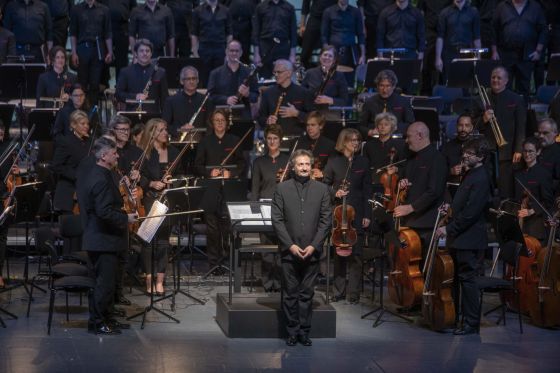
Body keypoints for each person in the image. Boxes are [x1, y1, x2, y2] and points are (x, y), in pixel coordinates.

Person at [271, 149, 332, 346]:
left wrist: (314, 246)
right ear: (294, 167)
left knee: (307, 294)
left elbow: (326, 221)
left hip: (312, 252)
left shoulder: (322, 190)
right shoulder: (282, 189)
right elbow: (277, 220)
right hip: (290, 251)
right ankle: (292, 331)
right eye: (300, 164)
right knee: (290, 293)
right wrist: (290, 245)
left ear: (311, 166)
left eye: (307, 164)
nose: (304, 167)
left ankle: (304, 332)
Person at [77, 136, 137, 335]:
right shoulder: (100, 177)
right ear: (104, 155)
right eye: (114, 153)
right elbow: (103, 211)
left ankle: (108, 318)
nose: (117, 155)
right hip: (102, 240)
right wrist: (126, 218)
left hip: (106, 239)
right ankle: (97, 322)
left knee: (108, 284)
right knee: (104, 284)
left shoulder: (103, 173)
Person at [436, 136, 492, 335]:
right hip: (460, 238)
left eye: (470, 154)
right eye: (465, 153)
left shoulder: (481, 178)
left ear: (481, 157)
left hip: (469, 238)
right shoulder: (469, 174)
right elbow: (462, 205)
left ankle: (471, 323)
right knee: (457, 279)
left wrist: (449, 229)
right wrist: (449, 209)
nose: (465, 156)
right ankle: (455, 317)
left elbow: (471, 213)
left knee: (468, 281)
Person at [323, 129, 371, 304]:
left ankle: (354, 293)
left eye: (358, 140)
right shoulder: (334, 161)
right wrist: (336, 192)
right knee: (339, 253)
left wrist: (367, 214)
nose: (355, 143)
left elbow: (367, 190)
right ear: (343, 142)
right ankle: (338, 291)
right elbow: (325, 185)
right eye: (352, 140)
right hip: (339, 213)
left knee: (356, 254)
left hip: (357, 213)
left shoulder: (363, 162)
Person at [194, 109, 245, 274]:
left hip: (229, 190)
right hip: (211, 190)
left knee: (228, 228)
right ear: (212, 122)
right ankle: (213, 264)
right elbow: (198, 165)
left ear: (227, 122)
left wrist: (232, 173)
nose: (220, 123)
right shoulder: (205, 142)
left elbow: (242, 164)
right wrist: (210, 173)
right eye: (216, 120)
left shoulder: (235, 140)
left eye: (222, 120)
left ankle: (228, 262)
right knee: (212, 229)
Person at [137, 118, 181, 294]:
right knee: (148, 240)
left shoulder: (174, 151)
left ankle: (160, 279)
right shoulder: (145, 153)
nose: (165, 133)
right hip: (150, 200)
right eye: (161, 130)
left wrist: (172, 182)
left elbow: (180, 175)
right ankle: (149, 278)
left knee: (164, 241)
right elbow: (138, 176)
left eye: (166, 129)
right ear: (152, 132)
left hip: (168, 200)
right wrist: (151, 183)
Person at [394, 122, 447, 260]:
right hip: (409, 222)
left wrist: (411, 207)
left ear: (420, 135)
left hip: (426, 224)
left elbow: (434, 191)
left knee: (422, 264)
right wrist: (401, 183)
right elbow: (403, 180)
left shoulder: (437, 158)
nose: (406, 140)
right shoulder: (411, 159)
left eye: (409, 136)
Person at [475, 66, 526, 199]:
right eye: (493, 77)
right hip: (487, 149)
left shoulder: (516, 99)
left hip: (507, 150)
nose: (495, 80)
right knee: (486, 185)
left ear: (506, 81)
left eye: (499, 78)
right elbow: (474, 125)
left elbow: (521, 126)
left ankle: (505, 213)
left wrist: (519, 149)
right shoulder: (481, 98)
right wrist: (484, 119)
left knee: (506, 187)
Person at [251, 124, 289, 291]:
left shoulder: (288, 161)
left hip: (284, 207)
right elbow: (254, 189)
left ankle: (280, 283)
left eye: (275, 138)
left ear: (280, 140)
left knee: (282, 246)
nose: (272, 141)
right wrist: (254, 208)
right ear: (266, 140)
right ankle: (267, 283)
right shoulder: (259, 161)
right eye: (269, 138)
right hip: (264, 205)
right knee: (265, 248)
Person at [491, 0, 547, 97]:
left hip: (527, 54)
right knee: (504, 88)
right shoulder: (502, 7)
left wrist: (538, 51)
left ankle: (522, 111)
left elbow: (543, 30)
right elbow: (493, 30)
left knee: (524, 89)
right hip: (506, 54)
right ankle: (505, 112)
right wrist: (494, 51)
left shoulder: (535, 7)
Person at [69, 0, 113, 106]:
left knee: (95, 84)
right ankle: (81, 111)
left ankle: (92, 113)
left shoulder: (104, 10)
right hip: (82, 49)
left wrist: (110, 52)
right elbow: (73, 32)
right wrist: (74, 52)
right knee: (82, 83)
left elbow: (108, 32)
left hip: (98, 49)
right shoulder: (76, 9)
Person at [52, 110, 93, 214]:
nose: (86, 126)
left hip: (86, 194)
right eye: (82, 124)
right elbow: (56, 166)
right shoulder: (66, 142)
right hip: (69, 193)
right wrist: (77, 175)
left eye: (87, 124)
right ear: (73, 125)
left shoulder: (89, 142)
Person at [258, 59, 313, 136]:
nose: (276, 75)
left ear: (289, 73)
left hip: (297, 138)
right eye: (275, 72)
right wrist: (267, 120)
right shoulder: (268, 93)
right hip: (274, 139)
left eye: (279, 72)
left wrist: (297, 113)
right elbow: (260, 118)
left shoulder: (303, 92)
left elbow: (313, 118)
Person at [514, 137, 554, 244]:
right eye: (525, 151)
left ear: (538, 152)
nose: (527, 154)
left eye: (531, 151)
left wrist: (531, 211)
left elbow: (548, 202)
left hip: (537, 224)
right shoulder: (518, 174)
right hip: (520, 221)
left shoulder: (543, 174)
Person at [207, 40, 259, 121]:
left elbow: (255, 97)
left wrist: (248, 94)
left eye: (237, 51)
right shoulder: (215, 73)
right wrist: (226, 99)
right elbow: (210, 96)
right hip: (222, 116)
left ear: (241, 53)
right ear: (226, 52)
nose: (234, 53)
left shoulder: (249, 73)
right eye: (231, 50)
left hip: (244, 116)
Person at [116, 39, 169, 113]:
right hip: (132, 114)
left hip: (153, 116)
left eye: (147, 51)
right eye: (141, 51)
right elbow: (118, 94)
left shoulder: (160, 72)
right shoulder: (125, 72)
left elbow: (164, 99)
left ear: (151, 53)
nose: (145, 53)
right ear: (136, 53)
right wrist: (135, 97)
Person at [435, 0, 481, 84]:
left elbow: (477, 38)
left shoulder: (473, 12)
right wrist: (438, 58)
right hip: (449, 53)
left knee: (466, 85)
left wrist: (478, 57)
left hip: (467, 53)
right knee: (448, 84)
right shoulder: (444, 13)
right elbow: (440, 37)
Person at [162, 65, 214, 139]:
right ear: (181, 81)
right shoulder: (171, 101)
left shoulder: (206, 100)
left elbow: (210, 125)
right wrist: (180, 129)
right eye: (188, 79)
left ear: (198, 80)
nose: (191, 81)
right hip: (177, 143)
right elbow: (164, 125)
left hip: (201, 143)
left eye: (194, 78)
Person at [321, 0, 366, 82]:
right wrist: (326, 52)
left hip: (351, 51)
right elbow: (324, 35)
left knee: (350, 79)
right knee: (332, 79)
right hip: (333, 50)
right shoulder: (328, 11)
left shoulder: (356, 12)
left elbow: (361, 34)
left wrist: (362, 55)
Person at [359, 69, 414, 136]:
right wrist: (370, 132)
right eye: (381, 85)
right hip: (376, 140)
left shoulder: (403, 101)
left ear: (393, 86)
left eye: (388, 86)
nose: (384, 90)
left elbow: (411, 124)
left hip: (397, 139)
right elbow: (361, 126)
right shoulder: (369, 102)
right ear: (377, 86)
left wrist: (395, 127)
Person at [251, 0, 298, 78]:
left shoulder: (289, 8)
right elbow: (256, 31)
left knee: (282, 76)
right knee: (264, 76)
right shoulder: (260, 7)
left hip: (282, 46)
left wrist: (292, 55)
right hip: (265, 46)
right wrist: (256, 54)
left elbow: (293, 33)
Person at [300, 45, 349, 117]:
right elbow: (301, 94)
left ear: (334, 60)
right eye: (325, 55)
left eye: (330, 56)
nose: (327, 57)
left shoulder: (339, 75)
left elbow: (344, 101)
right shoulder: (310, 73)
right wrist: (311, 98)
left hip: (331, 112)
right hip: (312, 111)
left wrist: (330, 100)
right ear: (320, 57)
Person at [362, 112, 407, 185]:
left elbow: (405, 167)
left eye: (386, 124)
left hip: (392, 183)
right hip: (373, 182)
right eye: (380, 124)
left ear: (392, 127)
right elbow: (364, 167)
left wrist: (396, 169)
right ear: (377, 127)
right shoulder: (368, 145)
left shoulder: (401, 144)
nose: (382, 127)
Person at [191, 0, 233, 77]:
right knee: (204, 78)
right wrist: (195, 54)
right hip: (204, 50)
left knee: (220, 77)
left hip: (220, 49)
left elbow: (229, 34)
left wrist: (228, 53)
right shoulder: (197, 11)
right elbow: (194, 34)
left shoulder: (226, 11)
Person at [295, 111, 336, 180]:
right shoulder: (298, 142)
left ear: (321, 126)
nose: (309, 128)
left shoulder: (330, 145)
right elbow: (292, 164)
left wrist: (322, 173)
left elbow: (333, 168)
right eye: (308, 125)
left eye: (313, 125)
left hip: (320, 182)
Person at [299, 0, 337, 69]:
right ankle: (309, 74)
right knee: (304, 54)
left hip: (331, 20)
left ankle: (327, 75)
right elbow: (305, 4)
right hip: (315, 19)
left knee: (330, 52)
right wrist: (302, 25)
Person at [441, 113, 475, 185]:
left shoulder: (477, 146)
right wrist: (450, 171)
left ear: (471, 128)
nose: (463, 129)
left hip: (473, 187)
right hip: (452, 186)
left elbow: (486, 171)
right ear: (456, 126)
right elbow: (438, 170)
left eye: (467, 125)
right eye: (460, 125)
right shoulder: (446, 147)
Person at [536, 118, 560, 190]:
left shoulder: (558, 153)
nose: (541, 136)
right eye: (539, 133)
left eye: (545, 133)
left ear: (556, 133)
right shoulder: (534, 149)